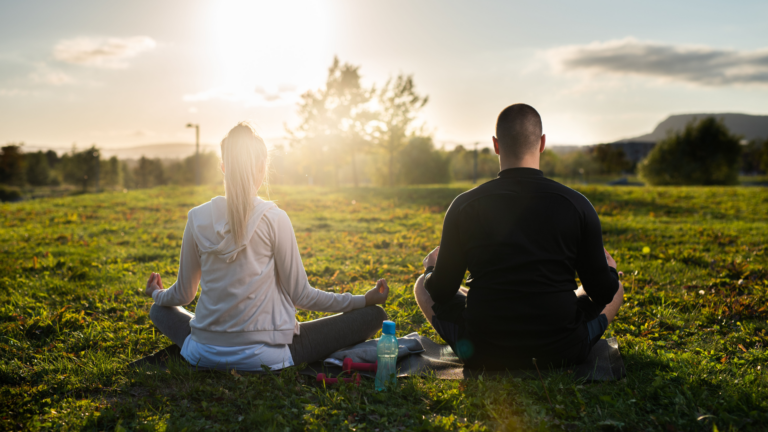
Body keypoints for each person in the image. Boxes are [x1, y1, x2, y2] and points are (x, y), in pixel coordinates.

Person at [144, 121, 389, 371]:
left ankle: (201, 334)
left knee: (159, 310)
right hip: (267, 357)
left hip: (202, 352)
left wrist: (156, 293)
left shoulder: (196, 217)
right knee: (374, 316)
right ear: (262, 168)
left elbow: (184, 295)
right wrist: (362, 299)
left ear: (223, 167)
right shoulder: (275, 217)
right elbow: (301, 295)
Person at [413, 104, 624, 370]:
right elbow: (603, 291)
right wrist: (611, 272)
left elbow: (441, 291)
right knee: (617, 290)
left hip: (484, 350)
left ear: (496, 145)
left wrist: (432, 267)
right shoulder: (578, 205)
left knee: (422, 285)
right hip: (562, 349)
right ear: (542, 143)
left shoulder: (464, 205)